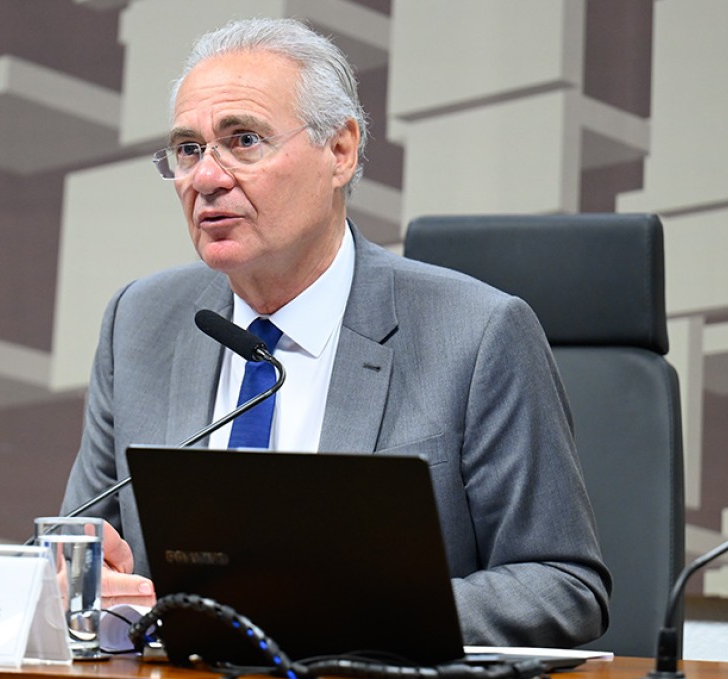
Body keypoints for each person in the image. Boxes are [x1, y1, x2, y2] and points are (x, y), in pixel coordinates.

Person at [62, 17, 610, 647]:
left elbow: (563, 585)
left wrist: (342, 612)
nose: (206, 178)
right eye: (189, 149)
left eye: (244, 141)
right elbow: (82, 545)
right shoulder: (139, 322)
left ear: (340, 152)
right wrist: (86, 579)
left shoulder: (477, 333)